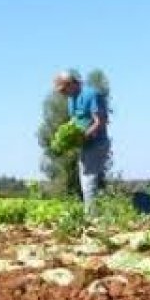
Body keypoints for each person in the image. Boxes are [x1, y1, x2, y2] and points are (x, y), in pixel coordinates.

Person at [53, 70, 111, 215]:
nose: (63, 94)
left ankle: (91, 217)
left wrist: (85, 135)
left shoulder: (91, 94)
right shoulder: (71, 99)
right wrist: (68, 137)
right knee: (85, 181)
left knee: (88, 180)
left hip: (97, 143)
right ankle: (93, 213)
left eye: (64, 90)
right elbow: (75, 121)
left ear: (72, 83)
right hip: (86, 145)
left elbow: (101, 121)